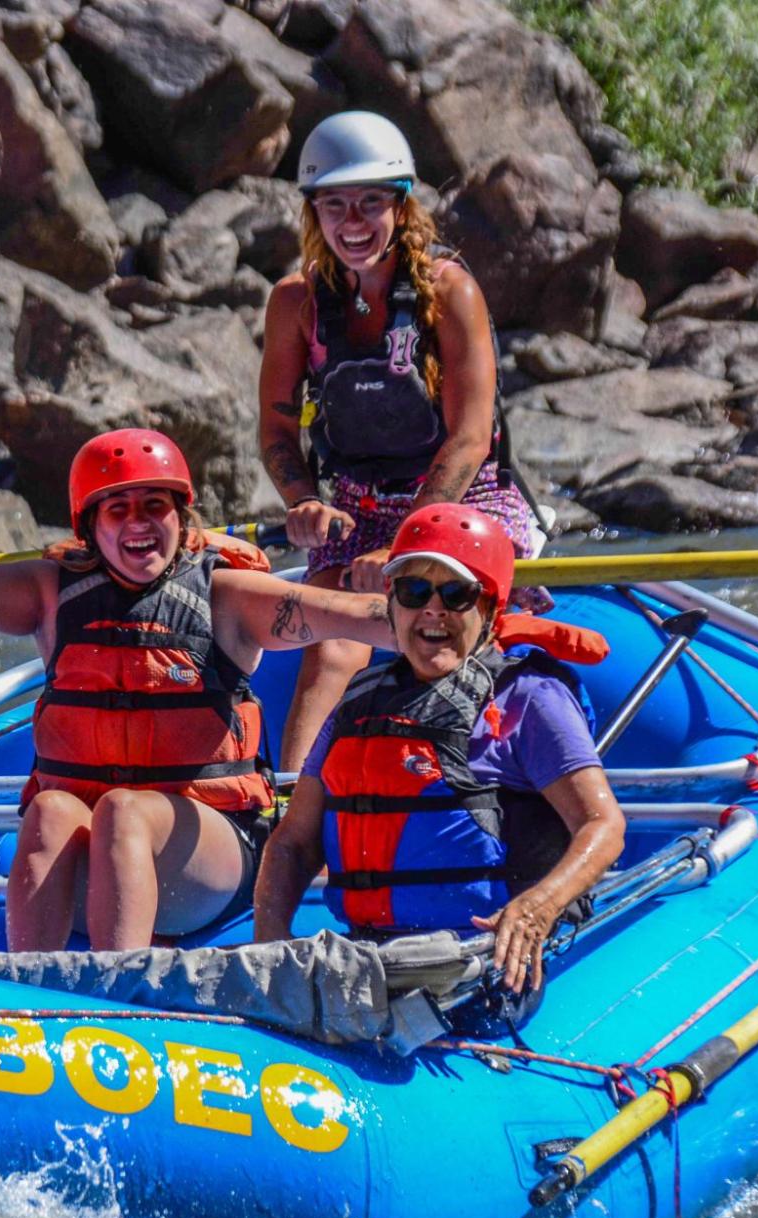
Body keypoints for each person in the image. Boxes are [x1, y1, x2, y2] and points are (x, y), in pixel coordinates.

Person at [0, 429, 396, 952]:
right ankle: (33, 988)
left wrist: (418, 596)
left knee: (124, 810)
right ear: (90, 525)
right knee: (53, 810)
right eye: (119, 508)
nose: (138, 522)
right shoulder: (52, 593)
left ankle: (117, 990)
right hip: (91, 868)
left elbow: (340, 615)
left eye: (154, 506)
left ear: (179, 514)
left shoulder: (227, 596)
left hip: (208, 859)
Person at [257, 109, 544, 779]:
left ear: (400, 205)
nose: (351, 223)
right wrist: (302, 501)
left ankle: (478, 778)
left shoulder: (450, 293)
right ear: (313, 212)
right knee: (330, 643)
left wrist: (406, 542)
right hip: (356, 508)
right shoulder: (293, 303)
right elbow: (275, 430)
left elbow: (471, 437)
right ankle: (291, 809)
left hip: (457, 499)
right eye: (334, 205)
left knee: (441, 623)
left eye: (368, 203)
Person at [253, 504, 622, 995]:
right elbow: (295, 841)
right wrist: (271, 944)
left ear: (490, 608)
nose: (432, 608)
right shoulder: (360, 701)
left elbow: (604, 825)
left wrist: (538, 907)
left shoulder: (528, 696)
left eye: (457, 593)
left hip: (477, 963)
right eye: (413, 590)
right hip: (369, 954)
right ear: (392, 603)